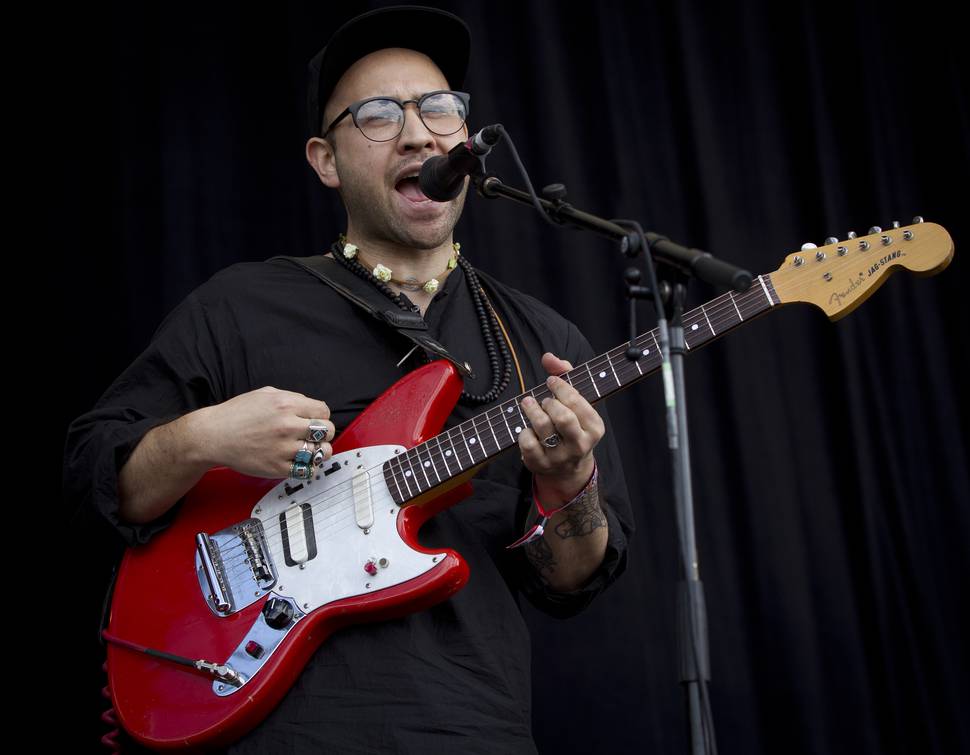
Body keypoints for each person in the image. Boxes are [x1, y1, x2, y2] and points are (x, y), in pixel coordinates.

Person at [63, 6, 634, 753]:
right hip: (279, 729)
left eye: (439, 108)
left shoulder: (541, 343)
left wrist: (570, 485)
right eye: (378, 115)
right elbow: (93, 477)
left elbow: (568, 582)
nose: (418, 133)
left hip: (472, 727)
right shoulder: (241, 307)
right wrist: (201, 437)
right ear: (325, 160)